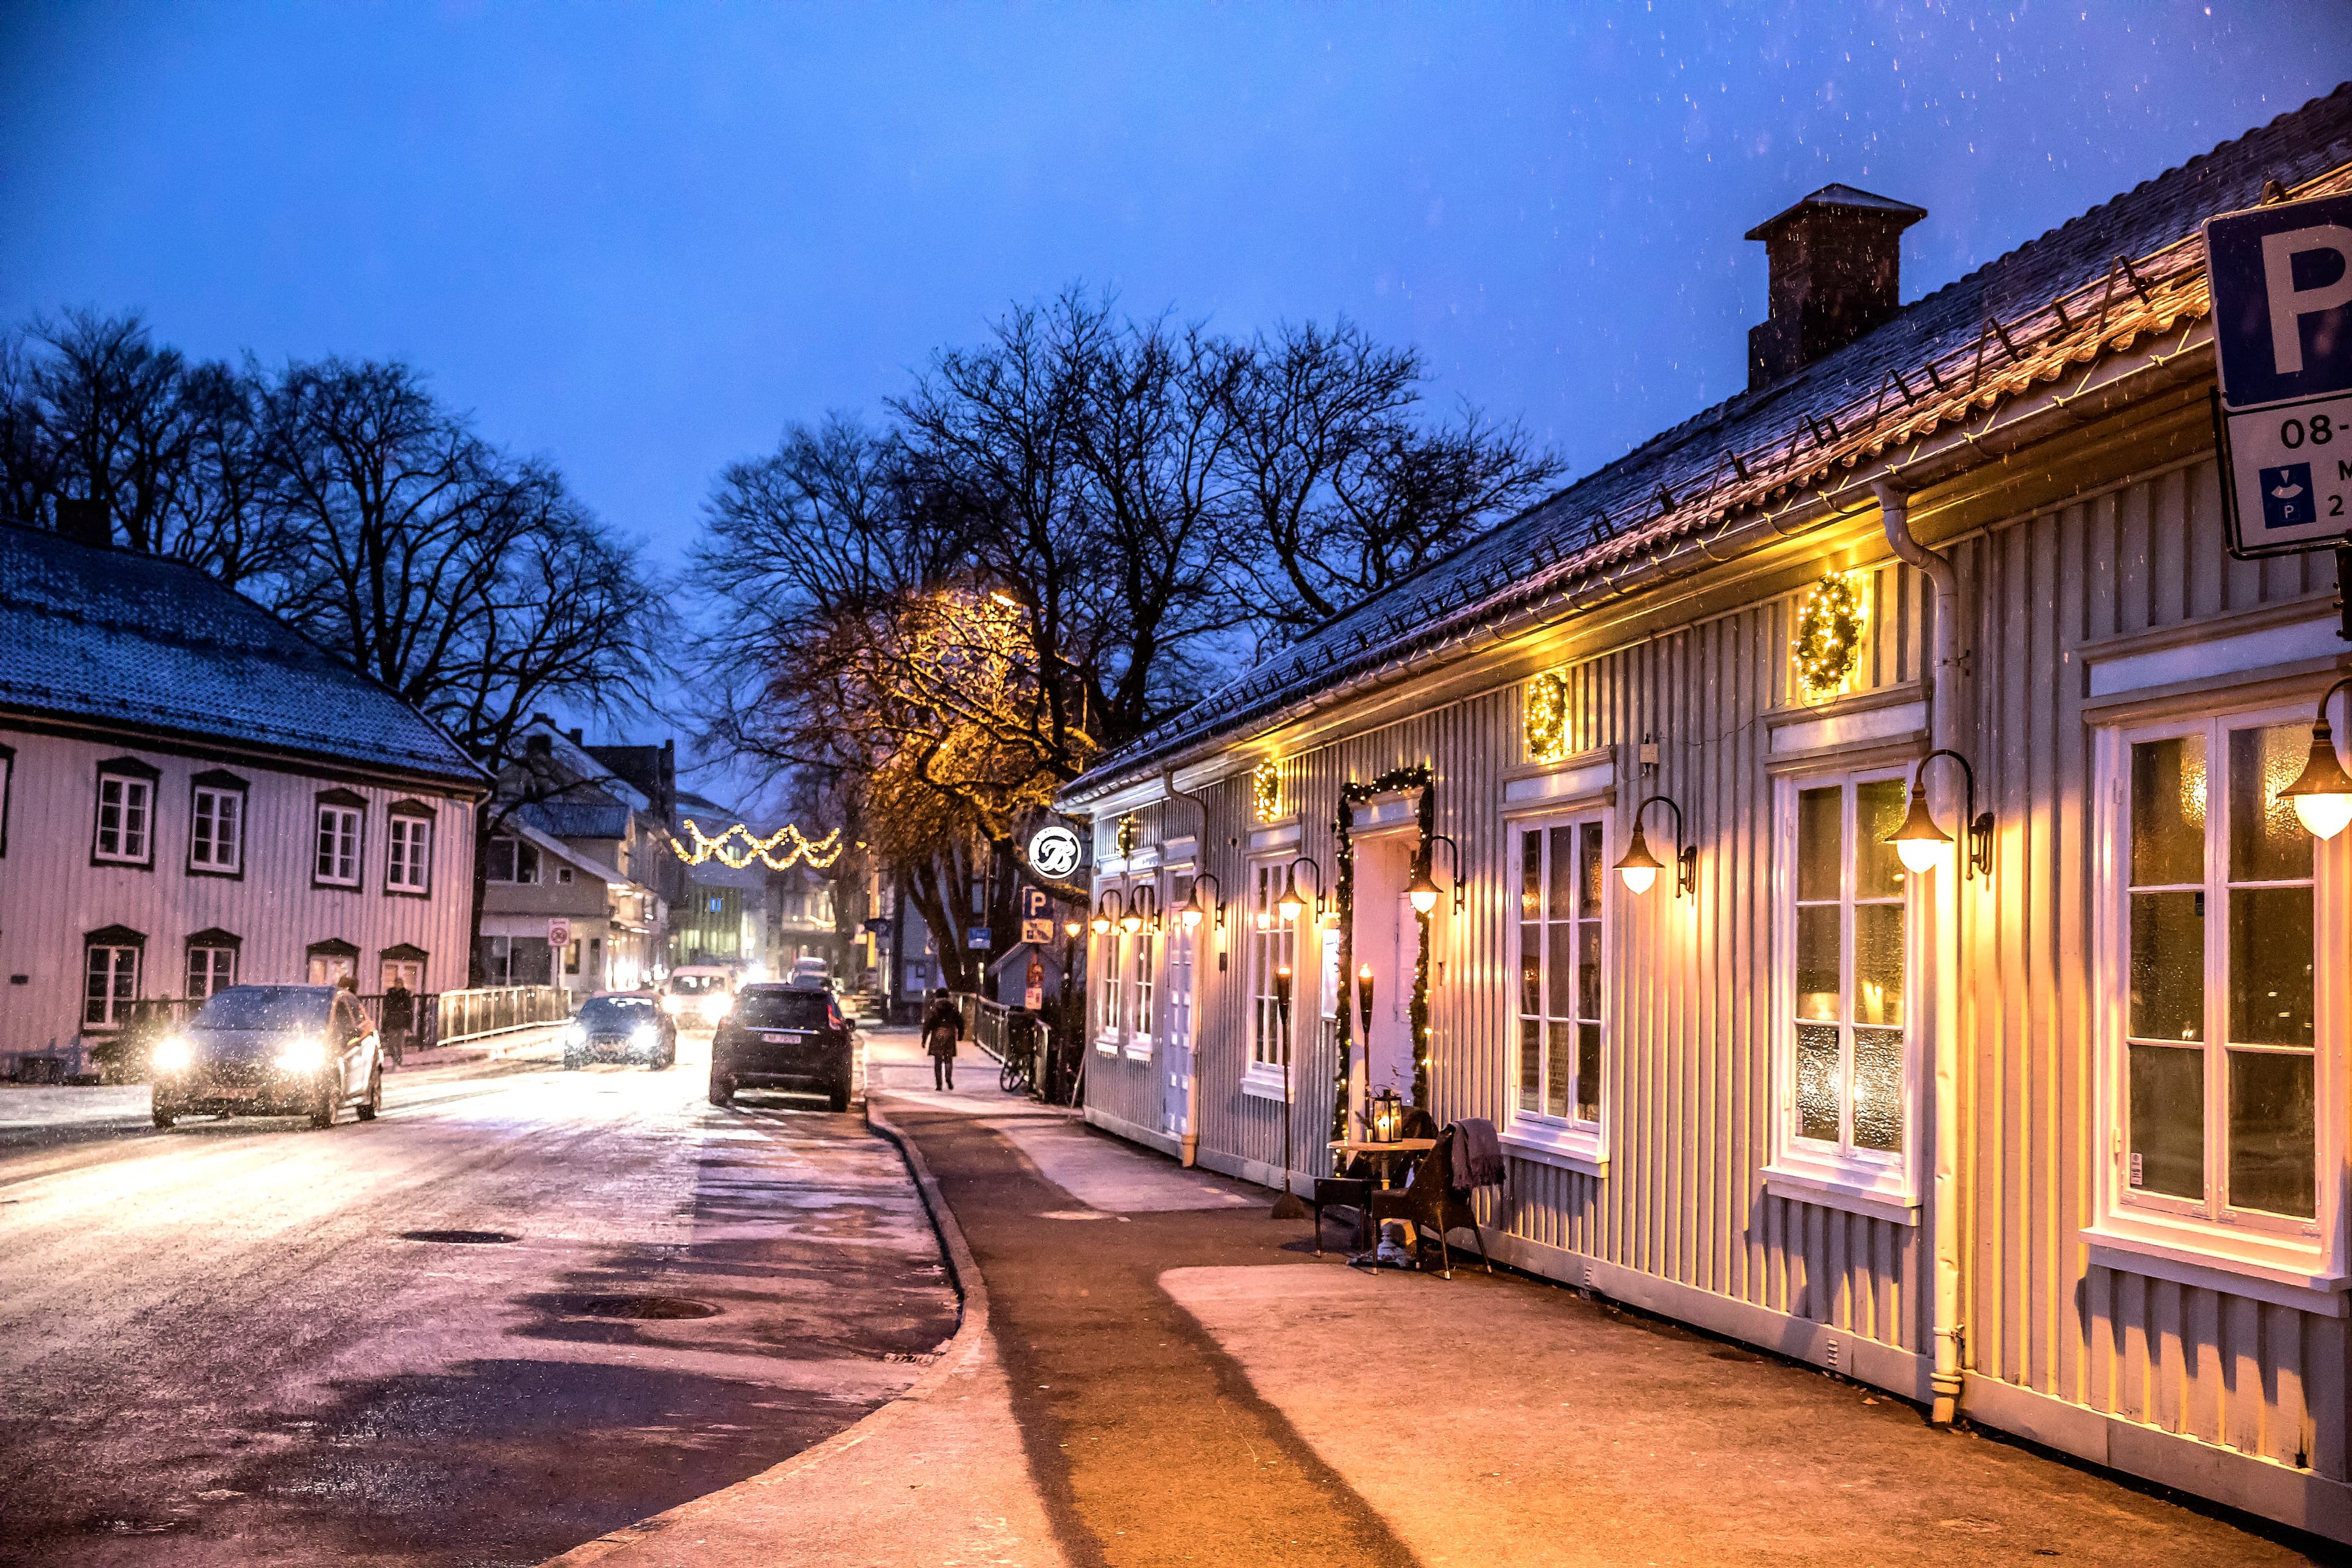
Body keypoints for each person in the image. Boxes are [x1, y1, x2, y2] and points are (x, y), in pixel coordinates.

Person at [920, 989, 963, 1092]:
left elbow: (928, 1025)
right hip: (950, 1034)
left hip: (937, 1035)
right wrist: (960, 1034)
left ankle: (939, 1084)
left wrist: (924, 1039)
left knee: (938, 1060)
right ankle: (948, 1077)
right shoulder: (953, 1008)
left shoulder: (934, 1009)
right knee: (948, 1059)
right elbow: (960, 1022)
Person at [380, 978, 415, 1068]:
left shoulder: (405, 996)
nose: (398, 985)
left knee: (399, 1044)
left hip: (401, 1023)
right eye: (397, 983)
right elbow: (386, 1011)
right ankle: (395, 1059)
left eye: (399, 983)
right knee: (391, 1044)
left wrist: (409, 1024)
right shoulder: (390, 995)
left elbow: (409, 1011)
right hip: (392, 1022)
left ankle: (398, 1061)